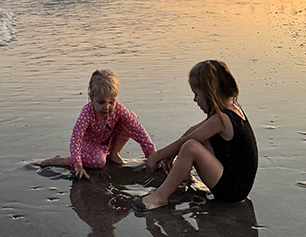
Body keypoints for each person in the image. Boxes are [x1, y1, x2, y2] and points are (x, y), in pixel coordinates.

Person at [139, 60, 257, 211]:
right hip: (233, 180)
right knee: (196, 137)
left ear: (209, 93)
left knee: (191, 147)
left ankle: (159, 197)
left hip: (233, 191)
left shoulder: (221, 119)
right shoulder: (231, 109)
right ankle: (182, 177)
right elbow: (192, 132)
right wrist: (169, 157)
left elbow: (188, 141)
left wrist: (157, 156)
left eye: (196, 94)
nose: (195, 100)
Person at [40, 69, 156, 180]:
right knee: (99, 162)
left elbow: (137, 129)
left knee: (132, 119)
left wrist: (151, 155)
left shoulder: (118, 110)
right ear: (91, 98)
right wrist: (77, 164)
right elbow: (77, 137)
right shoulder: (87, 113)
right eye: (101, 102)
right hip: (90, 144)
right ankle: (64, 160)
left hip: (109, 140)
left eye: (111, 102)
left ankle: (114, 153)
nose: (106, 107)